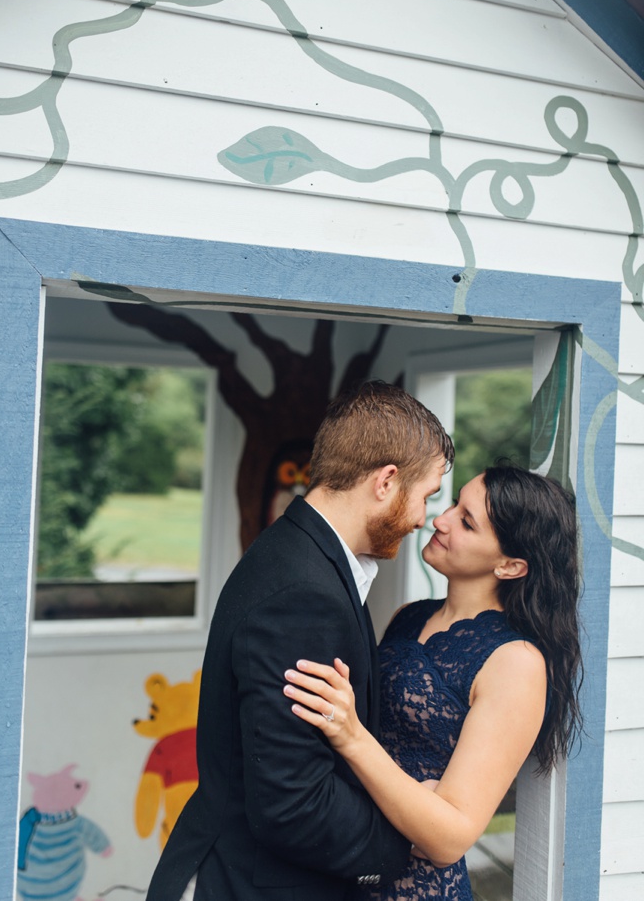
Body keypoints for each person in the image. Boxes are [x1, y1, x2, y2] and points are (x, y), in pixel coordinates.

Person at [148, 381, 452, 901]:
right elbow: (294, 804)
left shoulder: (303, 554)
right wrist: (407, 836)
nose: (424, 519)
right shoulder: (302, 594)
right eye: (426, 497)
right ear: (386, 481)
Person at [282, 465, 581, 900]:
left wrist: (350, 736)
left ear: (511, 565)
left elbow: (447, 839)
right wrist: (420, 795)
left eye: (467, 521)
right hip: (348, 868)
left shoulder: (516, 662)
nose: (440, 519)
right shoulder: (410, 617)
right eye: (456, 503)